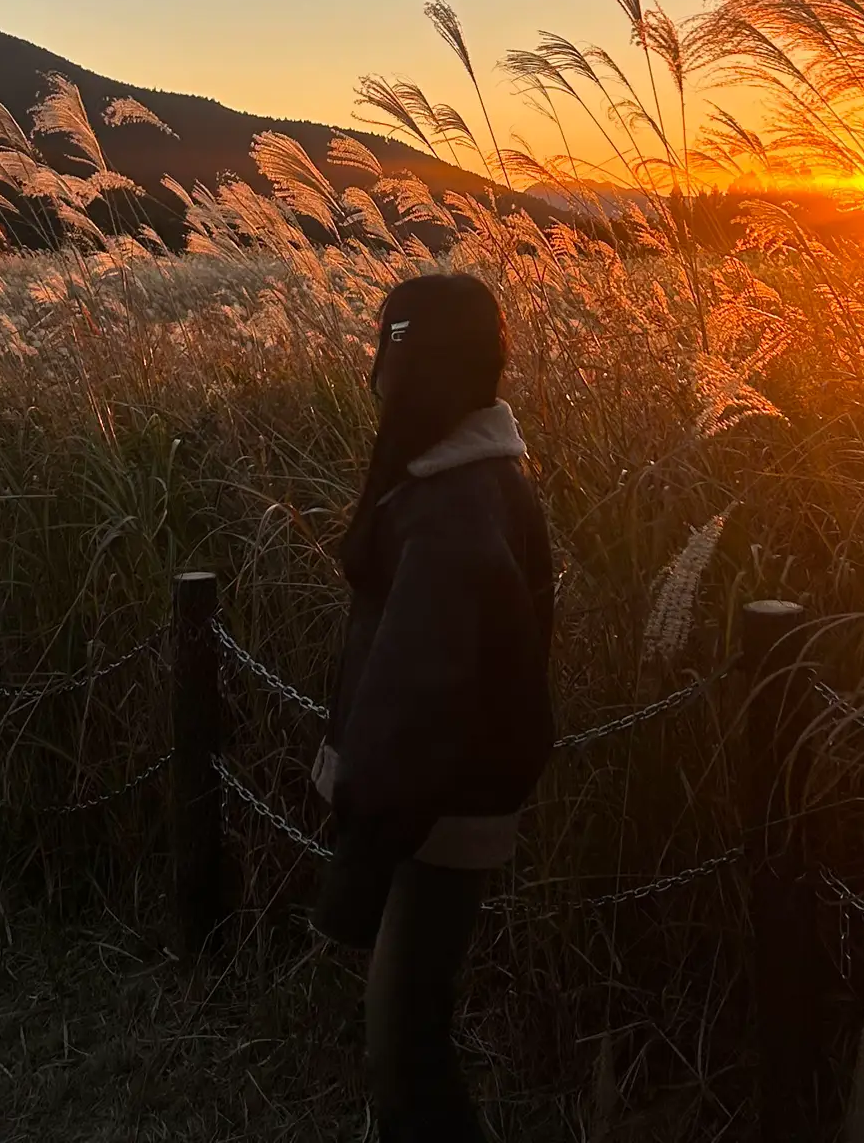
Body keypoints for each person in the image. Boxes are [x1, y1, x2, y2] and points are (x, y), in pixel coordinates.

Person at [311, 272, 556, 1142]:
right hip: (440, 804)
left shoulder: (452, 506)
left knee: (406, 1054)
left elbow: (417, 704)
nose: (377, 376)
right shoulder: (473, 477)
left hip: (431, 815)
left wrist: (359, 858)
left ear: (417, 365)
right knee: (412, 1035)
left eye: (389, 352)